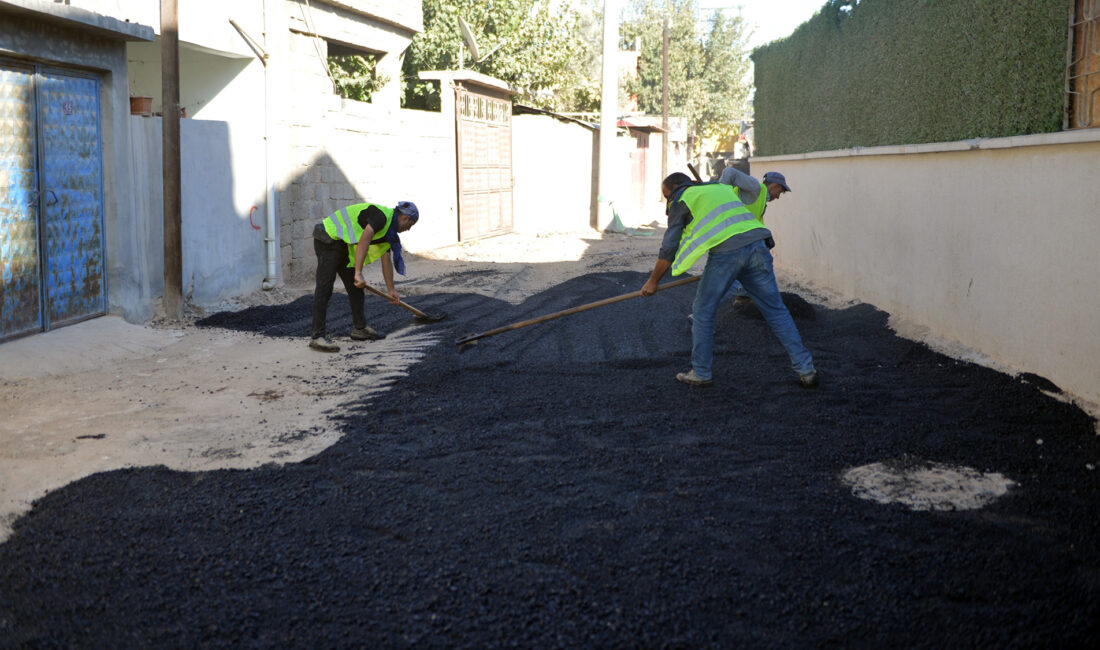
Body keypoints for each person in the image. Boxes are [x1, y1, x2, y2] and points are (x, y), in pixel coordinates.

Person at [640, 171, 818, 388]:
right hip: (758, 247)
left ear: (677, 187)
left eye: (667, 195)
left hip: (727, 255)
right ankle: (806, 369)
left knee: (703, 312)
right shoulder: (719, 188)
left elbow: (669, 248)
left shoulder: (683, 198)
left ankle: (701, 372)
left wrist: (652, 282)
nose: (669, 200)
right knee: (776, 310)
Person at [309, 200, 419, 352]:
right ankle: (317, 337)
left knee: (355, 288)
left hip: (342, 243)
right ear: (405, 218)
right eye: (411, 225)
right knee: (325, 285)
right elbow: (364, 240)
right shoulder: (382, 217)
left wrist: (391, 289)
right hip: (328, 236)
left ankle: (359, 329)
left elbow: (385, 258)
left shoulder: (390, 233)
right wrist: (358, 272)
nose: (408, 229)